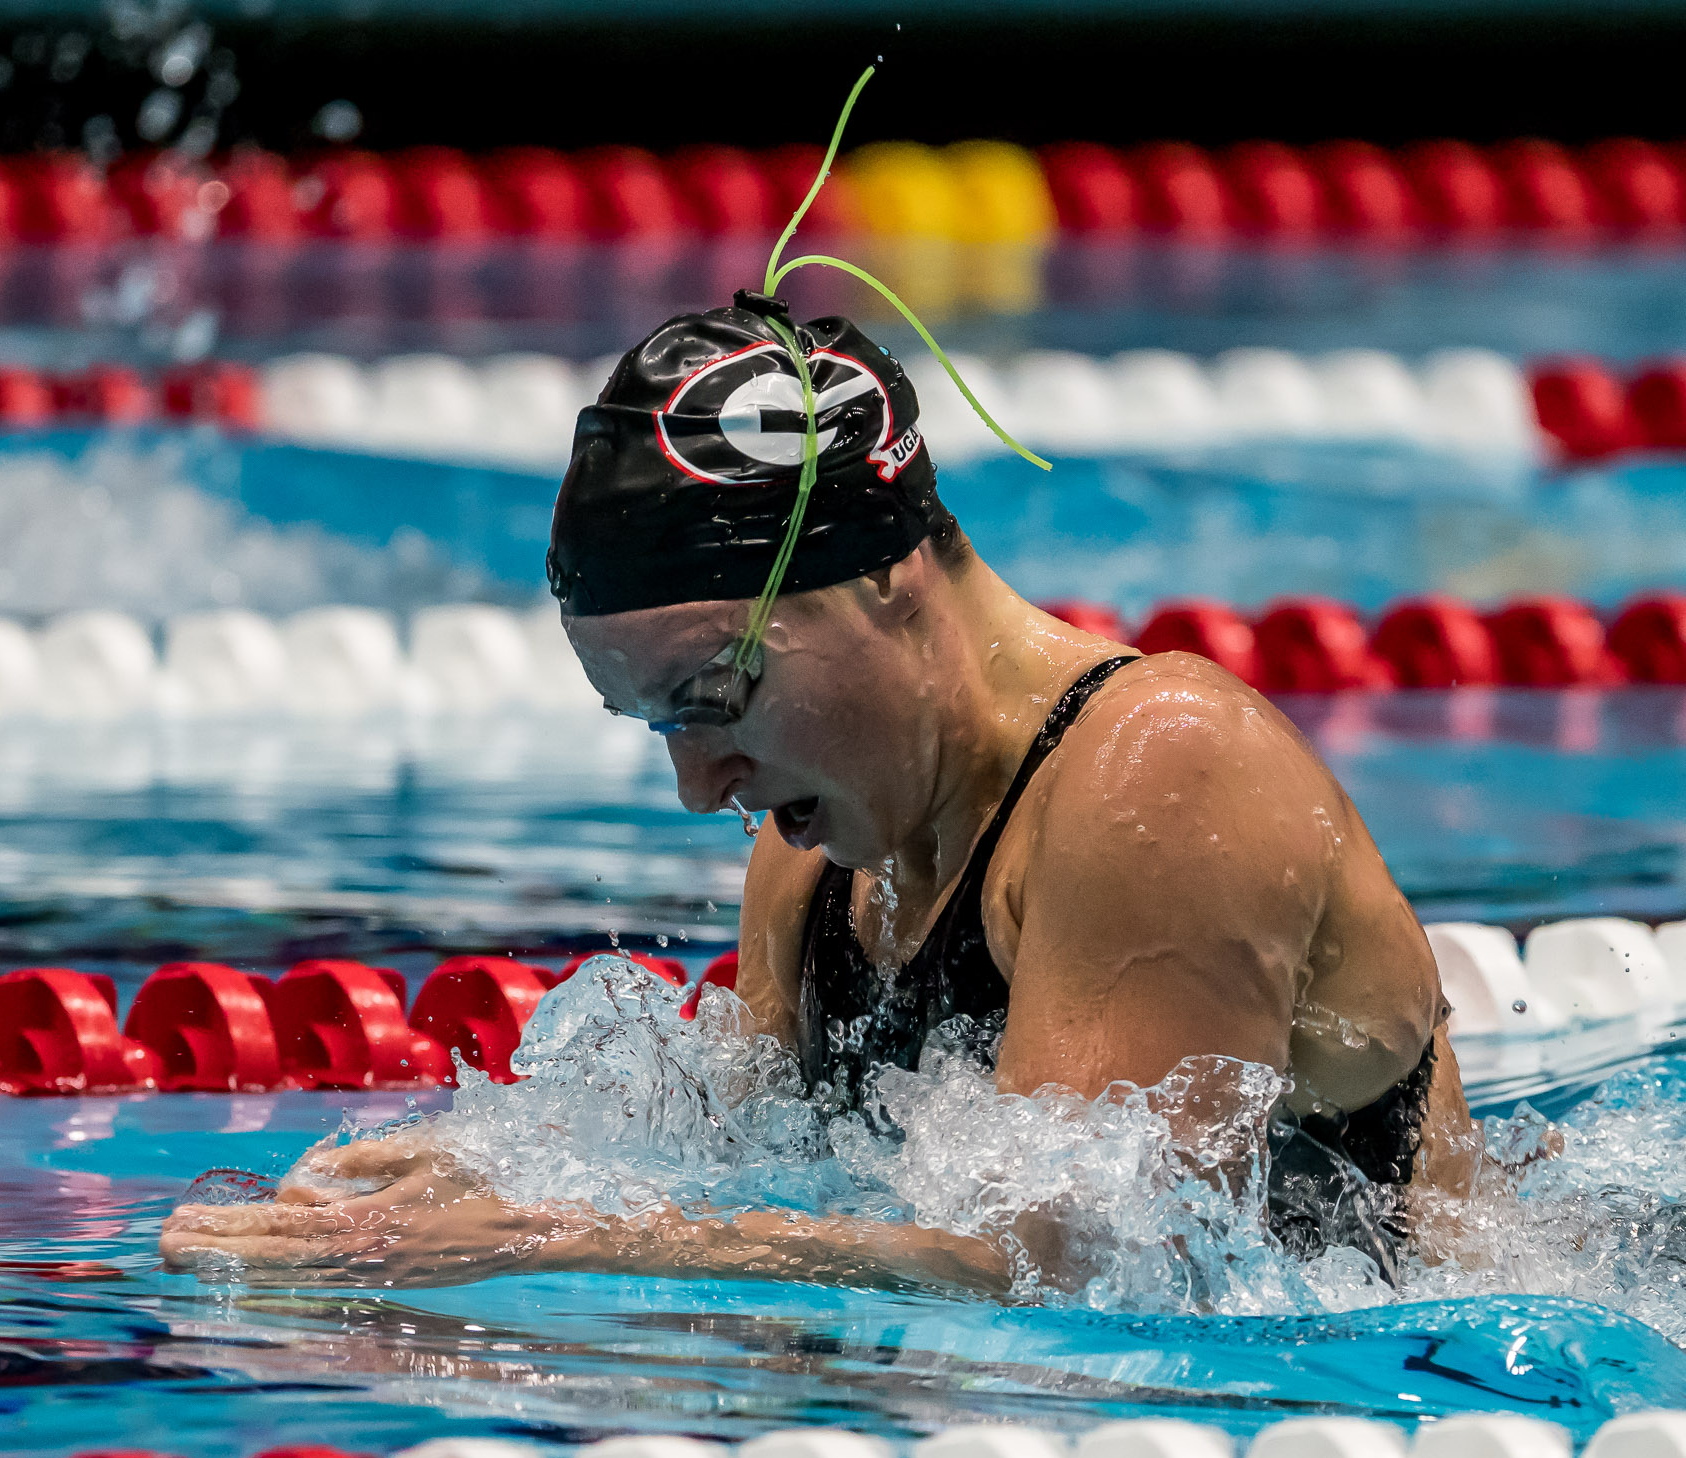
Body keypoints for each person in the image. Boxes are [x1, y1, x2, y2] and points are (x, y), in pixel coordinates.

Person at [160, 296, 1478, 1293]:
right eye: (657, 724)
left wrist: (562, 1246)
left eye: (718, 698)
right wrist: (477, 1182)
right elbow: (757, 1174)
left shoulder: (1162, 769)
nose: (698, 786)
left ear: (887, 584)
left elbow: (1088, 1266)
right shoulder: (819, 858)